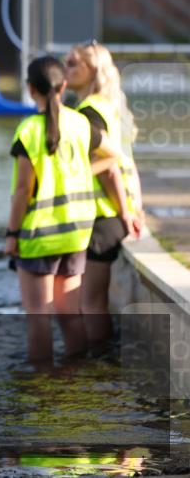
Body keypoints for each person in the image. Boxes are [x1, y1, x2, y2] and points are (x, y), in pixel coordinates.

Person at [4, 57, 126, 365]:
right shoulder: (80, 123)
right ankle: (75, 378)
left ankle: (41, 387)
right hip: (76, 233)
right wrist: (81, 173)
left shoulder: (29, 130)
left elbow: (22, 191)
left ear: (31, 89)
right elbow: (114, 155)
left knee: (39, 318)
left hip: (39, 235)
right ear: (64, 86)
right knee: (70, 316)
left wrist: (11, 234)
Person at [64, 42, 143, 348]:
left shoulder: (89, 111)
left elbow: (111, 166)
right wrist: (137, 207)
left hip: (103, 214)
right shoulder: (112, 106)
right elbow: (130, 163)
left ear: (92, 70)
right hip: (115, 211)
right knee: (92, 301)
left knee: (90, 302)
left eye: (73, 64)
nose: (66, 69)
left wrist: (125, 211)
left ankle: (99, 363)